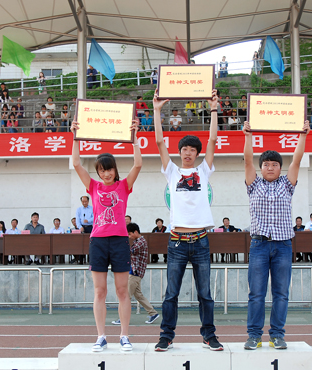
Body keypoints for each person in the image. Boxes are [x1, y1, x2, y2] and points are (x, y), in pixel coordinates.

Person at [152, 88, 223, 352]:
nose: (188, 153)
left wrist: (213, 108)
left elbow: (213, 140)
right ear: (180, 152)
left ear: (197, 153)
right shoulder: (171, 171)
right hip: (177, 243)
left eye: (193, 150)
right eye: (184, 149)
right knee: (171, 294)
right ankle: (166, 335)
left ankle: (209, 335)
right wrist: (157, 110)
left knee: (205, 294)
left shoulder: (204, 170)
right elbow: (160, 143)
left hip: (201, 241)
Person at [71, 117, 142, 353]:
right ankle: (101, 336)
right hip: (98, 242)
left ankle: (124, 335)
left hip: (120, 242)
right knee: (100, 291)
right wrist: (75, 136)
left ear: (114, 170)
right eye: (102, 170)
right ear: (98, 172)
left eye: (109, 169)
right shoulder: (93, 186)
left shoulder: (123, 186)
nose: (106, 173)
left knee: (122, 291)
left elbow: (138, 165)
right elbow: (76, 164)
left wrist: (134, 137)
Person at [242, 118, 310, 351]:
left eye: (274, 164)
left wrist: (303, 134)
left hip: (282, 246)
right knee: (256, 294)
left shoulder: (287, 184)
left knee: (281, 294)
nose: (270, 168)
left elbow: (297, 159)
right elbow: (247, 159)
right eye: (266, 164)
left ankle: (277, 335)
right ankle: (254, 336)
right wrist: (248, 135)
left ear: (280, 168)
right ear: (261, 168)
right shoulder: (253, 184)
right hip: (259, 246)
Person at [112, 223, 160, 325]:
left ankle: (122, 318)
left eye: (130, 234)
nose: (129, 236)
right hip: (136, 273)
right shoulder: (138, 241)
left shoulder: (141, 242)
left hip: (135, 273)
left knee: (125, 296)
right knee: (139, 296)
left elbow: (129, 251)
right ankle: (153, 313)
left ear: (136, 232)